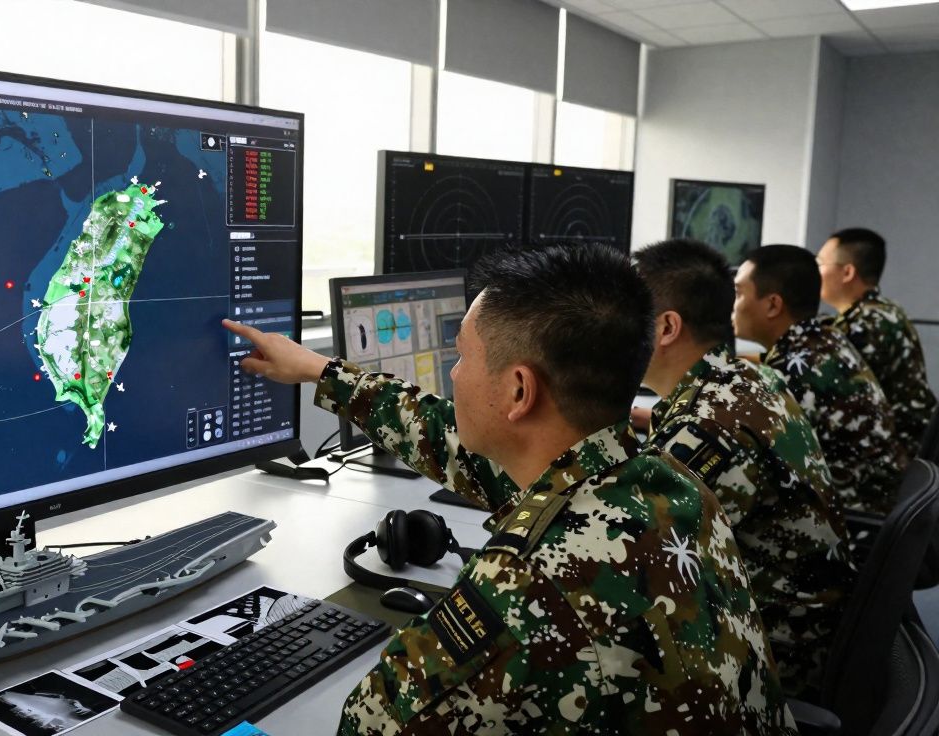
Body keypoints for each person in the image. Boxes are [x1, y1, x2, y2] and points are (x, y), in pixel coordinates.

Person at [224, 244, 796, 734]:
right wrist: (322, 373)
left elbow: (372, 723)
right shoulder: (669, 483)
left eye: (462, 356)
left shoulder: (529, 581)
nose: (452, 375)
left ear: (520, 390)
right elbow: (460, 448)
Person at [632, 238, 853, 698]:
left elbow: (635, 562)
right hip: (804, 623)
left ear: (667, 327)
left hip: (774, 653)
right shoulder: (751, 378)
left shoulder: (707, 428)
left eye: (622, 317)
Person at [733, 244, 905, 516]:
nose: (733, 304)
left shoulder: (790, 371)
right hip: (878, 502)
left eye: (739, 293)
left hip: (853, 517)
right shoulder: (822, 339)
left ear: (773, 304)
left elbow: (739, 459)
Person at [818, 227, 936, 459]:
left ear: (847, 272)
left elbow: (830, 395)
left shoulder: (865, 324)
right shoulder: (884, 310)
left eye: (820, 263)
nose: (815, 271)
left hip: (892, 455)